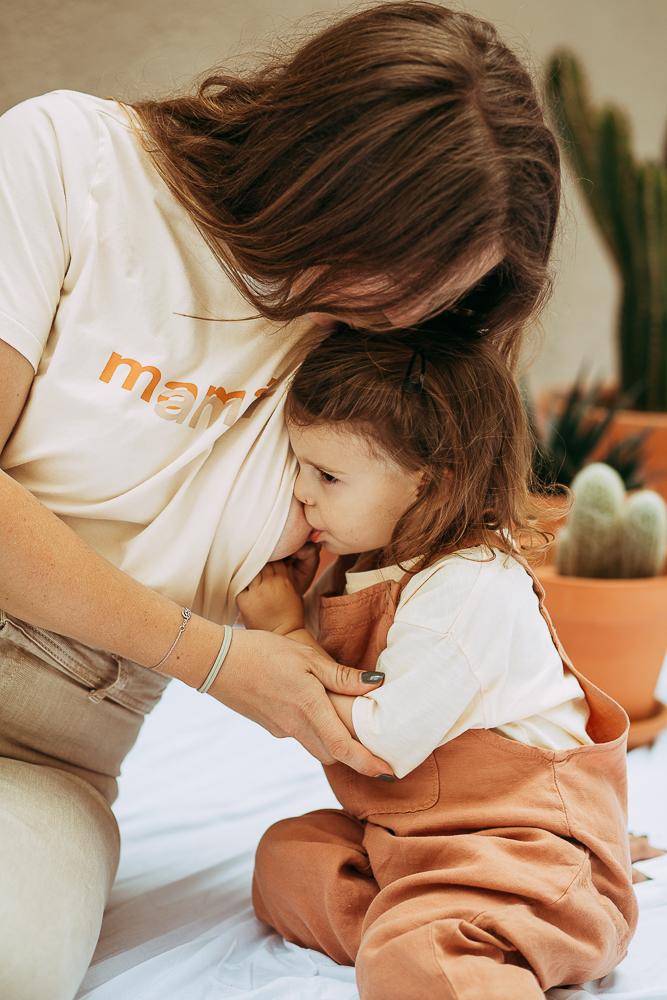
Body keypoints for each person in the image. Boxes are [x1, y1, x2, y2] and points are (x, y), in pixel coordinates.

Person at [0, 3, 561, 997]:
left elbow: (445, 623)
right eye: (399, 266)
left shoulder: (381, 376)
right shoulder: (69, 162)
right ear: (323, 166)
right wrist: (213, 657)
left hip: (49, 745)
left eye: (440, 296)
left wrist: (546, 822)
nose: (403, 313)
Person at [239, 322, 638, 1000]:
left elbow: (375, 743)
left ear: (429, 482)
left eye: (328, 475)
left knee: (416, 953)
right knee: (286, 859)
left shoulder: (469, 588)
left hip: (520, 853)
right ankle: (441, 932)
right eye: (297, 466)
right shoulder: (367, 565)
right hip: (414, 844)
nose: (302, 493)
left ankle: (453, 942)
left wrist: (285, 631)